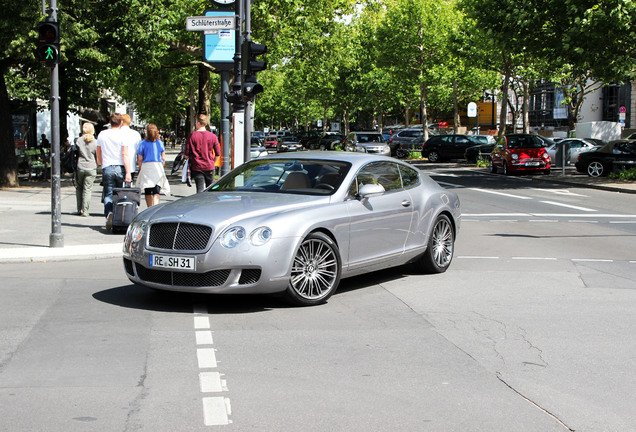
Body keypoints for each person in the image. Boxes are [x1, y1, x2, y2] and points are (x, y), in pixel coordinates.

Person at [96, 113, 132, 229]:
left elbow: (98, 152)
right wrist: (128, 172)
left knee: (108, 193)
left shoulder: (102, 134)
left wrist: (102, 163)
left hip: (107, 167)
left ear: (110, 122)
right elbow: (125, 154)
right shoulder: (123, 135)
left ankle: (109, 214)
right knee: (120, 194)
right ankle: (118, 217)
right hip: (120, 166)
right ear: (121, 122)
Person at [184, 113, 221, 192]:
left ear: (197, 122)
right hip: (209, 166)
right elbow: (218, 154)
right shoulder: (213, 136)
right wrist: (212, 162)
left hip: (197, 167)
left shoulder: (192, 136)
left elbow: (186, 155)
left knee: (200, 189)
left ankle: (200, 203)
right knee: (210, 189)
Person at [136, 124, 170, 207]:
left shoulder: (143, 143)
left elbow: (140, 158)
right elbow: (163, 158)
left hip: (146, 166)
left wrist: (141, 168)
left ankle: (149, 208)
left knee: (147, 190)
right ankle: (155, 207)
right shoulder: (160, 143)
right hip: (157, 166)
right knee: (156, 190)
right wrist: (161, 165)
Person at [74, 123, 98, 216]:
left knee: (79, 188)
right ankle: (85, 210)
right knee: (87, 189)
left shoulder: (78, 140)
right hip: (91, 167)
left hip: (80, 166)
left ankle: (79, 208)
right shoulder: (95, 142)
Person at [121, 114, 141, 180]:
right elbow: (139, 152)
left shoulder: (116, 132)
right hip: (131, 165)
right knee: (128, 188)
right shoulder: (136, 134)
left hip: (117, 165)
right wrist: (140, 166)